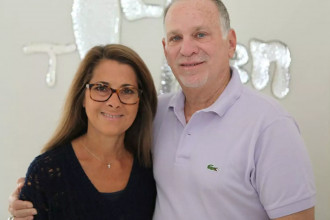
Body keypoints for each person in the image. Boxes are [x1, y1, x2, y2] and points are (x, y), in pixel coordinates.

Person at [9, 0, 316, 219]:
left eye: (200, 34)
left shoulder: (271, 127)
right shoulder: (154, 115)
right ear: (165, 48)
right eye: (175, 38)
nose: (187, 48)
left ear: (230, 42)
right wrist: (27, 201)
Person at [8, 44, 158, 219]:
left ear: (140, 101)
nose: (114, 102)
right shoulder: (47, 172)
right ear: (82, 97)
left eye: (127, 91)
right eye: (101, 88)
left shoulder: (151, 170)